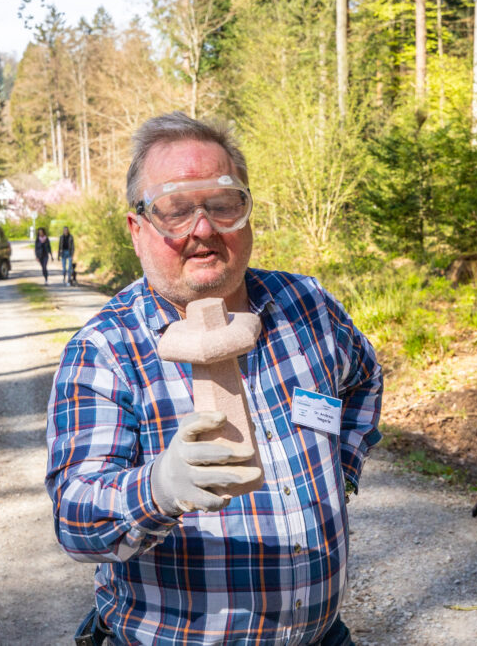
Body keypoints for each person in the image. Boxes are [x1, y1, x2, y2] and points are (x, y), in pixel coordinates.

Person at [45, 111, 383, 645]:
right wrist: (157, 489)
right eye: (175, 210)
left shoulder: (306, 305)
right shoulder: (105, 349)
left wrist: (341, 468)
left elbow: (364, 378)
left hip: (324, 636)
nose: (202, 229)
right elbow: (75, 518)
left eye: (223, 205)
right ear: (137, 231)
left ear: (247, 215)